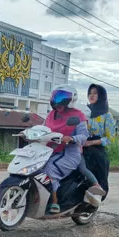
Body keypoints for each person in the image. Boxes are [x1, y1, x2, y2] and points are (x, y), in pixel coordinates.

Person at [42, 86, 89, 214]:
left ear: (71, 99)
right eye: (56, 97)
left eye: (62, 98)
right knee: (34, 166)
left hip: (69, 153)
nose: (57, 102)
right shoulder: (52, 114)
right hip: (51, 150)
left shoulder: (78, 115)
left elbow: (84, 136)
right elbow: (43, 129)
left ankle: (55, 201)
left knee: (50, 168)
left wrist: (72, 138)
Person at [82, 84, 115, 199]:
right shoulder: (84, 111)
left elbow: (110, 138)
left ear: (101, 96)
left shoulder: (107, 115)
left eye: (95, 93)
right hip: (80, 145)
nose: (92, 95)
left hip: (96, 149)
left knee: (97, 172)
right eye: (90, 93)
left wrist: (91, 143)